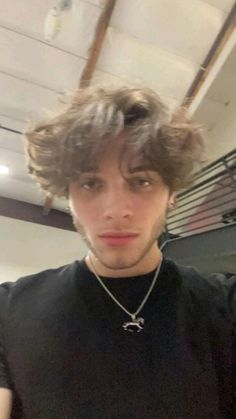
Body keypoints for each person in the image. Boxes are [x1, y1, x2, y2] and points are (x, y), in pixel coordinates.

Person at [0, 86, 235, 419]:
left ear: (172, 194)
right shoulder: (7, 310)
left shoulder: (225, 307)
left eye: (140, 182)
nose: (116, 210)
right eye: (91, 184)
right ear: (68, 195)